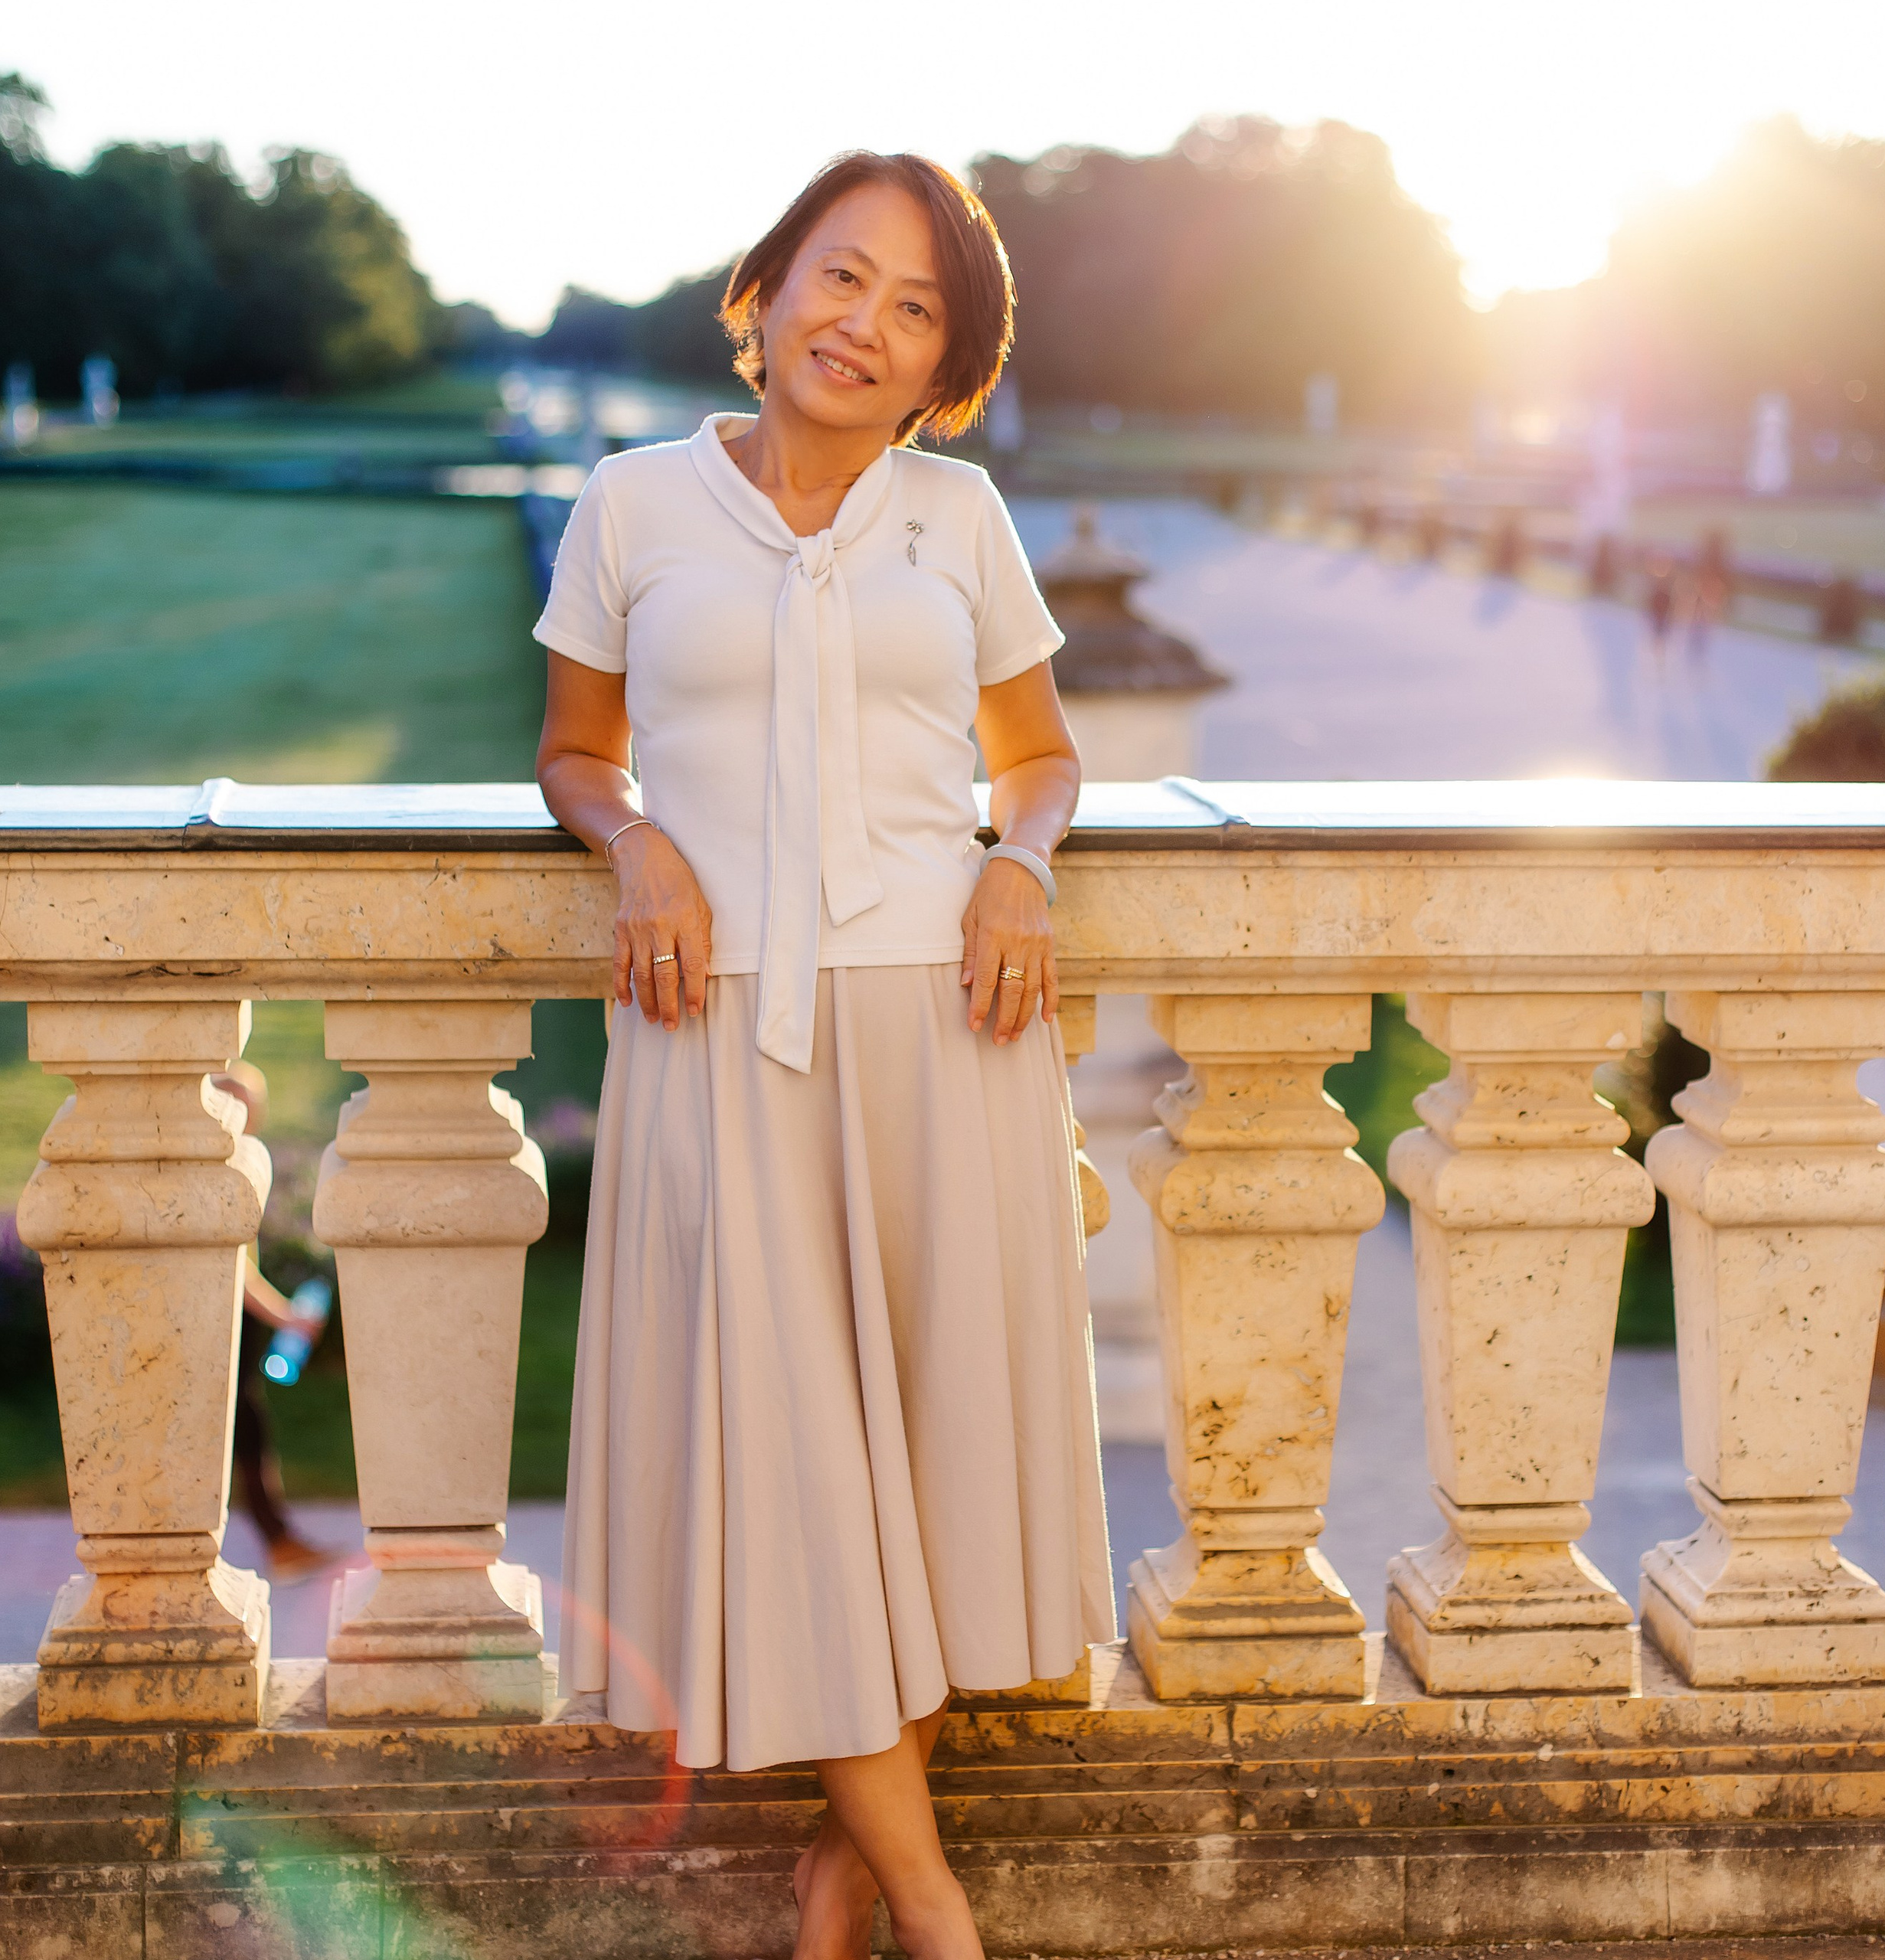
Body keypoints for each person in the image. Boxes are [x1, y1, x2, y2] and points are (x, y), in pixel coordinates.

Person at [534, 152, 1114, 1959]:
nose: (863, 321)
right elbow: (572, 749)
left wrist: (1017, 870)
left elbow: (1039, 758)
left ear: (946, 363)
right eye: (840, 276)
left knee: (926, 1459)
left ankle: (844, 1867)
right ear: (763, 290)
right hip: (726, 1044)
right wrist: (635, 847)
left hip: (946, 1032)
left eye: (914, 306)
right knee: (792, 1459)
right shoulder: (629, 503)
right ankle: (930, 1900)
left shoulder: (959, 522)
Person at [211, 1064, 336, 1585]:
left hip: (235, 1328)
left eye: (251, 1103)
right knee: (238, 1437)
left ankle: (279, 1542)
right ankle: (279, 1544)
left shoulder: (236, 1165)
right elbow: (233, 1265)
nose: (247, 1113)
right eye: (236, 1101)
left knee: (244, 1436)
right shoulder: (218, 1171)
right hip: (216, 1327)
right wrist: (286, 1314)